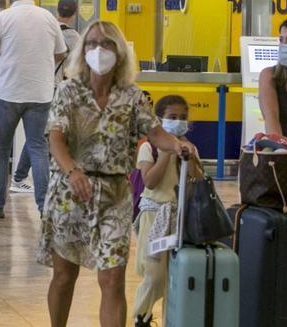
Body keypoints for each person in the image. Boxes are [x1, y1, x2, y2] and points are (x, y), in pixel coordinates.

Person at [41, 21, 194, 327]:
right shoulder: (68, 91)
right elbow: (55, 136)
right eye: (92, 43)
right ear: (82, 50)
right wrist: (72, 171)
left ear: (120, 52)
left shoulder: (132, 96)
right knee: (64, 275)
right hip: (70, 193)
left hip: (114, 195)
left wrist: (177, 145)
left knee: (112, 279)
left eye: (107, 44)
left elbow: (153, 131)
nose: (99, 50)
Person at [0, 0, 68, 218]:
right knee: (38, 147)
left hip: (7, 91)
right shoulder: (48, 18)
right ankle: (44, 207)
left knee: (0, 148)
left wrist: (0, 63)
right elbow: (61, 52)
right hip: (40, 92)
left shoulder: (4, 18)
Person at [132, 95, 202, 327]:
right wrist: (166, 154)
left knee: (176, 273)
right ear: (159, 120)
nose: (178, 121)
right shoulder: (148, 147)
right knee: (154, 273)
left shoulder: (191, 148)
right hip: (154, 216)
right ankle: (141, 316)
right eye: (172, 117)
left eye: (183, 118)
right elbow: (149, 182)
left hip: (180, 217)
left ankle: (172, 319)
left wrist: (189, 159)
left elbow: (197, 182)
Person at [10, 0, 84, 195]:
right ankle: (20, 178)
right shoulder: (74, 37)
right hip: (54, 88)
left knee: (38, 135)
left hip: (32, 84)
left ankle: (19, 176)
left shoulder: (45, 30)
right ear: (75, 12)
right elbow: (75, 67)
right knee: (40, 136)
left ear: (57, 9)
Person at [259, 17, 287, 145]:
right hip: (284, 154)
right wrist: (281, 149)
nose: (284, 45)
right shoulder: (269, 76)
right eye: (281, 40)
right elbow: (271, 119)